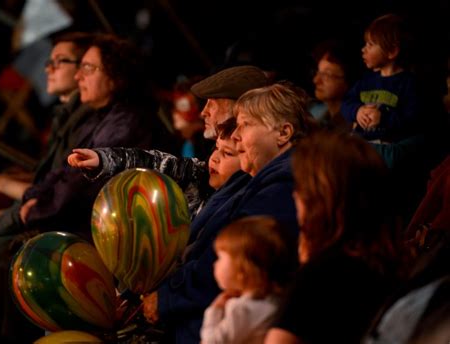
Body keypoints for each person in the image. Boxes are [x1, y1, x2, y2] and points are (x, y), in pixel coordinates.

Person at [0, 33, 167, 339]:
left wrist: (35, 211)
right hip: (73, 219)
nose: (79, 75)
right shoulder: (99, 117)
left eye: (89, 68)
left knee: (1, 258)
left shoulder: (127, 122)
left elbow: (77, 188)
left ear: (116, 77)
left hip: (102, 233)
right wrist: (30, 207)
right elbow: (56, 177)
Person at [141, 82, 311, 344]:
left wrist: (167, 298)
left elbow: (235, 260)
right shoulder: (253, 179)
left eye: (246, 125)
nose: (237, 136)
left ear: (283, 133)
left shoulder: (284, 188)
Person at [67, 65, 271, 218]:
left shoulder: (249, 197)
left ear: (237, 108)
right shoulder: (208, 172)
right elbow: (159, 164)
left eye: (212, 104)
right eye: (219, 149)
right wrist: (104, 159)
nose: (203, 112)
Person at [264, 131, 407, 344]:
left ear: (319, 199)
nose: (294, 195)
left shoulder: (320, 275)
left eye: (301, 187)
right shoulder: (395, 264)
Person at [0, 32, 94, 222]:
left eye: (60, 61)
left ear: (83, 69)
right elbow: (50, 181)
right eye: (49, 62)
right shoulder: (64, 117)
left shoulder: (85, 122)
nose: (48, 69)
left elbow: (57, 197)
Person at [200, 216, 294, 344]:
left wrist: (214, 310)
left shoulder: (242, 310)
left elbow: (210, 342)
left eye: (220, 258)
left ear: (242, 271)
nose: (214, 264)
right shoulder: (276, 303)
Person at [341, 13, 421, 142]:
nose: (363, 49)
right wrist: (357, 111)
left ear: (392, 51)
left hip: (387, 149)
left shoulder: (409, 84)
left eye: (370, 44)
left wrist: (383, 118)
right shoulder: (365, 81)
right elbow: (346, 103)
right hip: (359, 145)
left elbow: (412, 120)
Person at [308, 38, 362, 131]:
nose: (316, 80)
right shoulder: (316, 115)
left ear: (348, 81)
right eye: (318, 72)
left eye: (326, 75)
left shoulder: (352, 127)